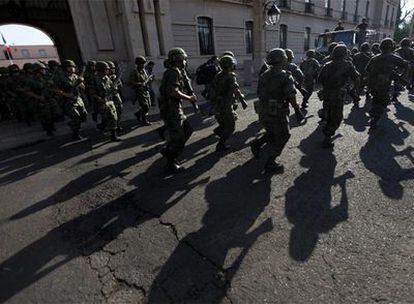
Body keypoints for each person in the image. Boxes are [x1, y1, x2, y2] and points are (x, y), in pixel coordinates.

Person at [250, 48, 304, 173]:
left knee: (271, 131)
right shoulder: (285, 76)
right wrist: (297, 108)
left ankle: (257, 144)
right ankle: (271, 161)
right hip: (278, 110)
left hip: (263, 108)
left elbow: (259, 92)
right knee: (284, 134)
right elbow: (291, 95)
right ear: (283, 59)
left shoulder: (264, 74)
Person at [158, 47, 197, 174]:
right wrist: (189, 98)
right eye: (183, 59)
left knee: (188, 130)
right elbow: (173, 92)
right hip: (171, 110)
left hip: (175, 109)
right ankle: (170, 162)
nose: (185, 61)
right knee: (179, 138)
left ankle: (169, 149)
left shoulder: (176, 71)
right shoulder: (174, 72)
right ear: (178, 59)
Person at [318, 45, 359, 148]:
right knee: (336, 117)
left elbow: (319, 79)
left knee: (328, 111)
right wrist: (353, 89)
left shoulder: (327, 64)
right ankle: (327, 137)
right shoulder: (348, 65)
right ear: (345, 54)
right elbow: (356, 78)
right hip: (337, 95)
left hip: (326, 94)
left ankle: (326, 123)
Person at [365, 38, 408, 131]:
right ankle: (374, 119)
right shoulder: (393, 57)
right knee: (383, 102)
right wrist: (401, 75)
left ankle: (373, 111)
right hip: (384, 85)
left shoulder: (374, 58)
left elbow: (367, 70)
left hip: (373, 84)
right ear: (391, 47)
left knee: (376, 99)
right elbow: (406, 65)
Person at [209, 55, 246, 152]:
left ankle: (219, 131)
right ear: (231, 65)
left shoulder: (218, 75)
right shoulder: (230, 76)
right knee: (231, 126)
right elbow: (236, 90)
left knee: (225, 120)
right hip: (226, 104)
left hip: (218, 103)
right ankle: (220, 145)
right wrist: (243, 101)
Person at [54, 59, 88, 140]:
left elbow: (83, 88)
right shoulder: (60, 77)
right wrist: (67, 95)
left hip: (78, 99)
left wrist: (81, 82)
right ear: (65, 68)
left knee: (84, 115)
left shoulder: (76, 76)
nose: (72, 68)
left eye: (73, 67)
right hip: (67, 101)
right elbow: (55, 89)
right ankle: (75, 134)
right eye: (69, 67)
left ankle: (73, 124)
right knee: (76, 117)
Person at [89, 61, 120, 141]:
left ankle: (109, 132)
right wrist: (100, 99)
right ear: (101, 70)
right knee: (110, 117)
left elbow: (110, 87)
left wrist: (114, 88)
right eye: (106, 69)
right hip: (101, 102)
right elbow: (92, 93)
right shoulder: (95, 79)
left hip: (109, 100)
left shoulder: (107, 78)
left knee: (113, 117)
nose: (108, 70)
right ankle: (111, 134)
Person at [25, 63, 58, 136]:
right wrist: (38, 97)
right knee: (47, 116)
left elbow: (53, 88)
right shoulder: (31, 80)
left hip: (50, 99)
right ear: (37, 71)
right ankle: (49, 130)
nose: (44, 71)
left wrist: (52, 84)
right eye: (42, 69)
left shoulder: (46, 78)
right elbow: (28, 92)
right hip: (40, 101)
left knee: (56, 113)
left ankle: (51, 126)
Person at [129, 56, 153, 126]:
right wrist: (140, 84)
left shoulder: (145, 71)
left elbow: (147, 79)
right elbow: (131, 82)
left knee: (149, 105)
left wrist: (150, 80)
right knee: (144, 106)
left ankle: (138, 113)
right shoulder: (134, 72)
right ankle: (144, 120)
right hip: (139, 91)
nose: (142, 65)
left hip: (146, 90)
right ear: (137, 64)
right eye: (140, 63)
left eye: (143, 63)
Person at [107, 61, 124, 133]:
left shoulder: (114, 76)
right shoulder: (106, 78)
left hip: (116, 95)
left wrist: (118, 80)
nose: (113, 70)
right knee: (113, 113)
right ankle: (113, 127)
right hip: (110, 97)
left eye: (114, 68)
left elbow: (120, 86)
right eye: (111, 68)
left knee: (119, 109)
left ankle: (117, 124)